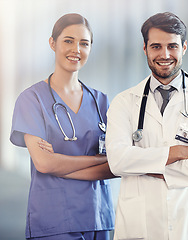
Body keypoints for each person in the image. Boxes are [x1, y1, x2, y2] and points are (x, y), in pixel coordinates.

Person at [106, 12, 188, 240]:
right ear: (145, 49)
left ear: (184, 48)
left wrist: (149, 166)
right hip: (143, 221)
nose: (164, 54)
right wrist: (176, 153)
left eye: (172, 46)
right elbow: (118, 161)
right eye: (156, 46)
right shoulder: (124, 102)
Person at [10, 13, 115, 240]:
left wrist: (62, 165)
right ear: (52, 43)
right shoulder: (32, 100)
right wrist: (99, 159)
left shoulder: (102, 102)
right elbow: (45, 163)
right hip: (54, 219)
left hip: (99, 217)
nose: (76, 49)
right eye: (68, 40)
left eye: (84, 43)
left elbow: (117, 165)